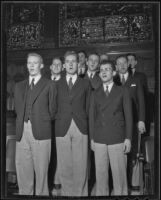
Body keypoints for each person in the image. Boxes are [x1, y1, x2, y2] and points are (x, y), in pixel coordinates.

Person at [14, 53, 56, 196]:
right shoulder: (19, 86)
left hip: (41, 131)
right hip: (22, 131)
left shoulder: (49, 84)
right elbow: (18, 109)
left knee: (42, 170)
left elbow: (53, 110)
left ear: (42, 65)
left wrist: (40, 120)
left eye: (35, 63)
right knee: (23, 170)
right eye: (29, 63)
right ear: (26, 65)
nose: (31, 66)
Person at [89, 60, 133, 196]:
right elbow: (92, 117)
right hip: (100, 138)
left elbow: (129, 116)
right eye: (101, 70)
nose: (103, 72)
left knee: (119, 176)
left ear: (114, 73)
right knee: (101, 177)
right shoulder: (95, 93)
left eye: (107, 69)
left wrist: (128, 138)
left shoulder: (122, 91)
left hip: (117, 138)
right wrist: (92, 138)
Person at [54, 51, 91, 196]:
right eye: (67, 61)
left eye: (73, 61)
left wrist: (85, 121)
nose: (70, 64)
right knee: (64, 164)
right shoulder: (56, 84)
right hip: (61, 126)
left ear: (78, 64)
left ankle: (80, 194)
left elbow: (88, 106)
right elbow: (52, 106)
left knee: (81, 164)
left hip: (80, 126)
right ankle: (67, 193)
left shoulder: (85, 83)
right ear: (64, 65)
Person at [114, 55, 146, 188]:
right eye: (119, 63)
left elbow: (142, 102)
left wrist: (141, 120)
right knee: (117, 155)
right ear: (116, 66)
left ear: (128, 65)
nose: (121, 65)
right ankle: (115, 185)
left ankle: (127, 185)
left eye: (124, 63)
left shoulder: (136, 80)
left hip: (132, 124)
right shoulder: (113, 80)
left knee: (130, 154)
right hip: (116, 124)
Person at [49, 57, 62, 196]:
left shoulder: (65, 83)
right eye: (54, 64)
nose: (57, 66)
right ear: (50, 67)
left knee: (58, 153)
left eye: (59, 64)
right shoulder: (45, 82)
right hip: (45, 124)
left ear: (62, 67)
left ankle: (57, 182)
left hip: (59, 123)